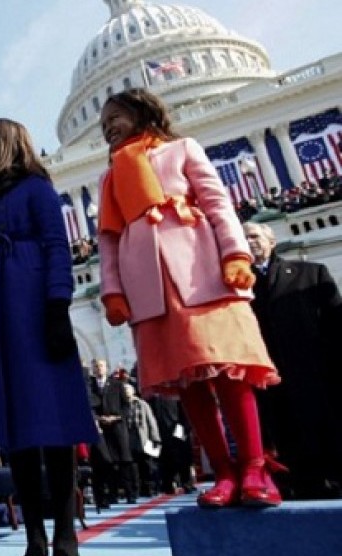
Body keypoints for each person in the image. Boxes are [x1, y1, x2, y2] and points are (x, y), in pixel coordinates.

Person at [96, 88, 281, 509]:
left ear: (141, 112)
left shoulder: (181, 149)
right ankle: (225, 471)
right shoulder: (109, 177)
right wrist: (113, 291)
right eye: (103, 122)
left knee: (229, 374)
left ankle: (254, 466)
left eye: (115, 117)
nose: (108, 126)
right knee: (189, 385)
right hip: (150, 291)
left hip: (201, 275)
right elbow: (108, 240)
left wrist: (235, 253)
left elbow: (217, 203)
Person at [0, 118, 98, 556]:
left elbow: (58, 245)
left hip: (35, 313)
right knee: (15, 429)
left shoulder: (38, 189)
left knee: (53, 423)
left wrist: (58, 304)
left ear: (3, 143)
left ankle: (65, 532)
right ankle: (34, 534)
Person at [243, 221, 342, 499]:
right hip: (273, 382)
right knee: (289, 443)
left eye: (254, 236)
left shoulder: (310, 273)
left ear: (271, 240)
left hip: (317, 376)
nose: (249, 242)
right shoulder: (238, 290)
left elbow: (335, 325)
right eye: (243, 238)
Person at [88, 358, 135, 506]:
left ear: (106, 368)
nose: (99, 369)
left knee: (124, 461)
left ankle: (130, 493)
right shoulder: (90, 387)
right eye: (96, 366)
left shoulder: (117, 385)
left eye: (101, 366)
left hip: (118, 427)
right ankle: (111, 494)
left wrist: (117, 417)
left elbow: (127, 407)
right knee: (105, 462)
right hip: (101, 429)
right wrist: (98, 418)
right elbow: (89, 407)